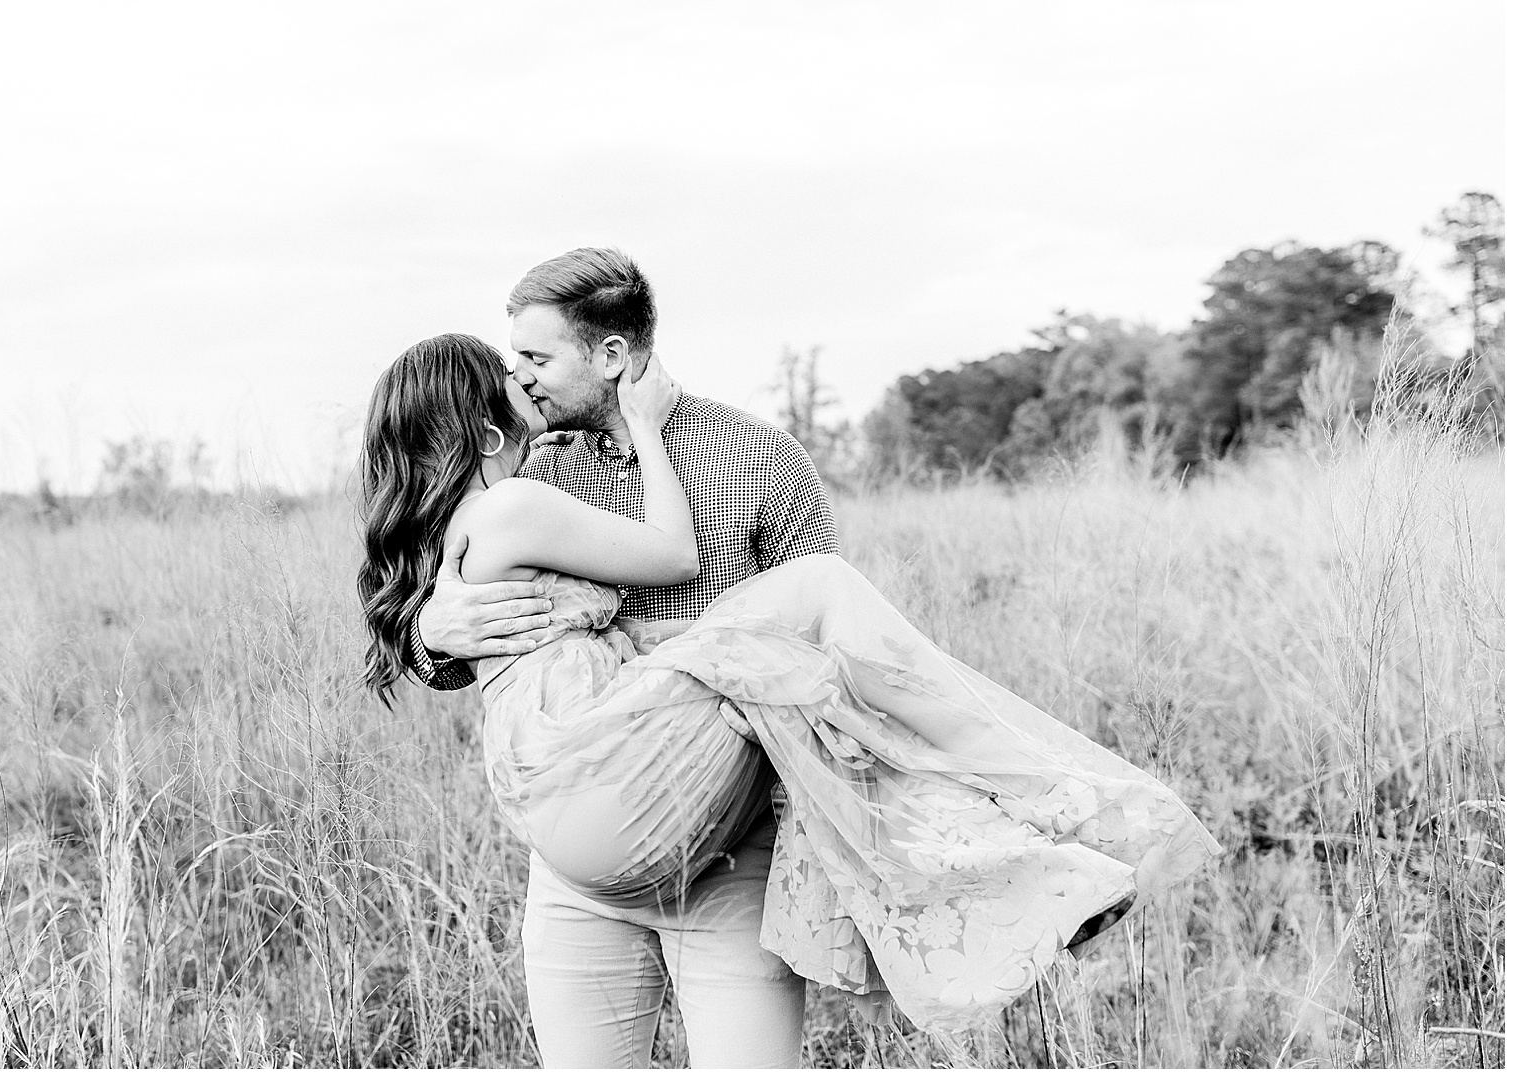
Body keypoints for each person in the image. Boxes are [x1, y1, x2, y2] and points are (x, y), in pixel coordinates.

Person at [357, 251, 1221, 1067]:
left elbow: (844, 665)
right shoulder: (534, 471)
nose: (525, 378)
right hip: (583, 855)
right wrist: (435, 630)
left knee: (821, 599)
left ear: (612, 352)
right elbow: (455, 643)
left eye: (536, 356)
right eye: (515, 362)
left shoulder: (760, 459)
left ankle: (1040, 836)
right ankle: (1048, 792)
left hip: (731, 854)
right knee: (819, 590)